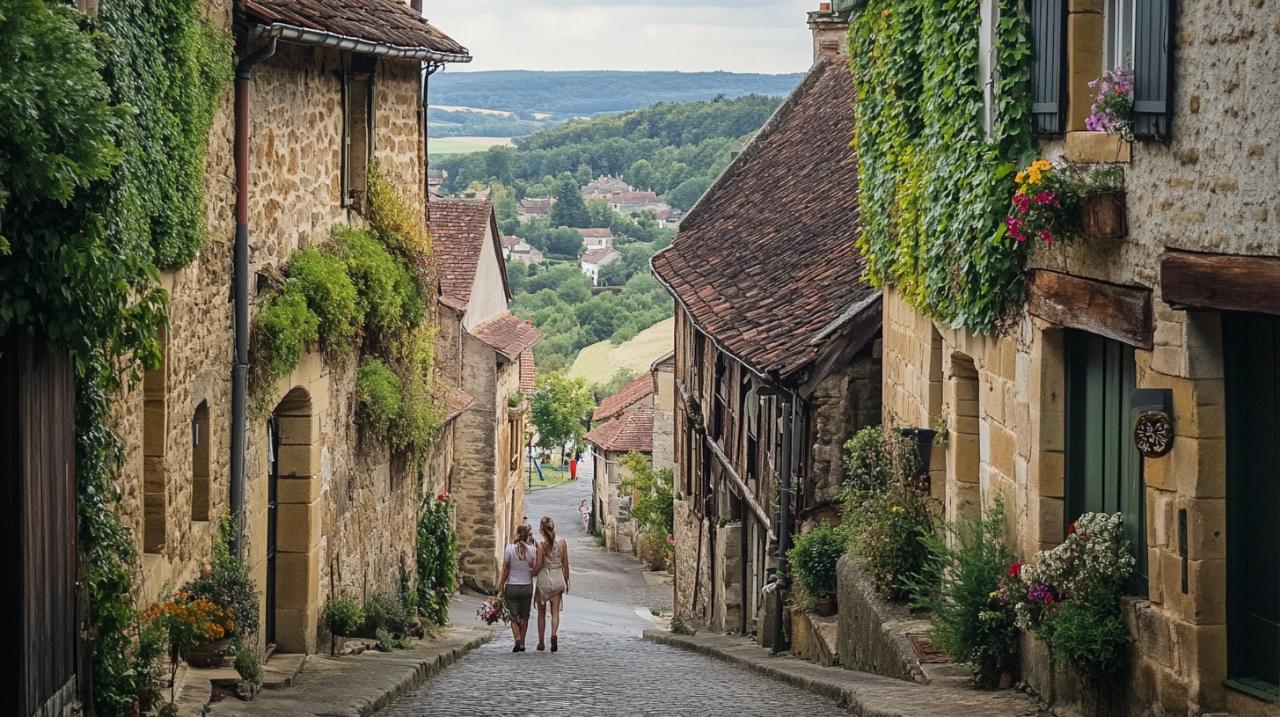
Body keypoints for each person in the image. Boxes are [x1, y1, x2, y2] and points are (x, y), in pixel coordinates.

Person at [497, 524, 537, 653]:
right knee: (525, 615)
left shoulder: (509, 549)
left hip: (512, 586)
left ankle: (517, 639)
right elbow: (533, 567)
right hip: (526, 585)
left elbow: (506, 569)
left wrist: (500, 585)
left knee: (513, 615)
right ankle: (523, 642)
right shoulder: (531, 550)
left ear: (517, 534)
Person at [533, 516, 570, 652]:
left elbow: (538, 564)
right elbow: (565, 563)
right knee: (555, 612)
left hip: (544, 577)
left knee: (541, 614)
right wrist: (566, 579)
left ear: (541, 529)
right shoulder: (562, 543)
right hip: (557, 576)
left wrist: (532, 574)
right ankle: (554, 634)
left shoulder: (540, 544)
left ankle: (541, 642)